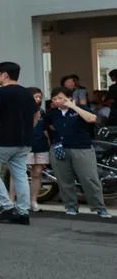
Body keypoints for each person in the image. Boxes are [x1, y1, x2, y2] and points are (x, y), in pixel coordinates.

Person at [0, 62, 38, 225]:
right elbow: (36, 114)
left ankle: (7, 207)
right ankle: (23, 212)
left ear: (5, 75)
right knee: (20, 175)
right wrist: (27, 130)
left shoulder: (0, 92)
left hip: (3, 141)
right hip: (24, 142)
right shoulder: (27, 93)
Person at [46, 87, 110, 217]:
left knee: (89, 178)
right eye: (54, 99)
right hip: (60, 148)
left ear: (69, 98)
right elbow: (49, 127)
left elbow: (92, 118)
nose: (57, 101)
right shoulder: (53, 113)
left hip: (82, 148)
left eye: (60, 98)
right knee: (64, 180)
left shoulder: (81, 109)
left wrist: (73, 106)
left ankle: (99, 207)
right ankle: (71, 206)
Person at [27, 88, 49, 214]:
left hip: (41, 145)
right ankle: (12, 201)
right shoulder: (22, 111)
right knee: (17, 174)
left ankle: (33, 201)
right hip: (26, 146)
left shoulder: (42, 112)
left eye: (40, 97)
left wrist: (49, 143)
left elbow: (45, 129)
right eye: (36, 97)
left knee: (37, 173)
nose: (39, 99)